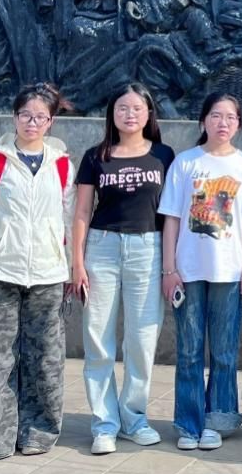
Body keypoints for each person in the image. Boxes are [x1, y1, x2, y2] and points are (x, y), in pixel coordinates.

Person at [0, 83, 75, 460]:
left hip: (48, 275)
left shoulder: (62, 166)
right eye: (26, 115)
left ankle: (38, 431)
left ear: (51, 122)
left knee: (46, 358)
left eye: (40, 117)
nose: (32, 123)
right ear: (14, 117)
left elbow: (69, 221)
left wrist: (72, 269)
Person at [158, 92, 242, 450]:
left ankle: (217, 420)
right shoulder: (185, 163)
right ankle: (189, 423)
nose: (223, 123)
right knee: (189, 351)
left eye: (231, 117)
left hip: (230, 271)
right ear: (203, 120)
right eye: (216, 115)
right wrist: (169, 269)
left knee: (223, 351)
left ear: (239, 124)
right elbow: (171, 220)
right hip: (188, 270)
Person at [71, 83, 175, 455]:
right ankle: (104, 424)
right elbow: (82, 211)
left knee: (142, 341)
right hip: (102, 248)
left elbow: (171, 212)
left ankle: (134, 419)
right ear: (111, 114)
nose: (129, 114)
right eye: (122, 108)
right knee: (98, 339)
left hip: (148, 248)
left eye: (136, 108)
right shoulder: (95, 156)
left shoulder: (164, 155)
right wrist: (77, 262)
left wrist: (171, 264)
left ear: (149, 114)